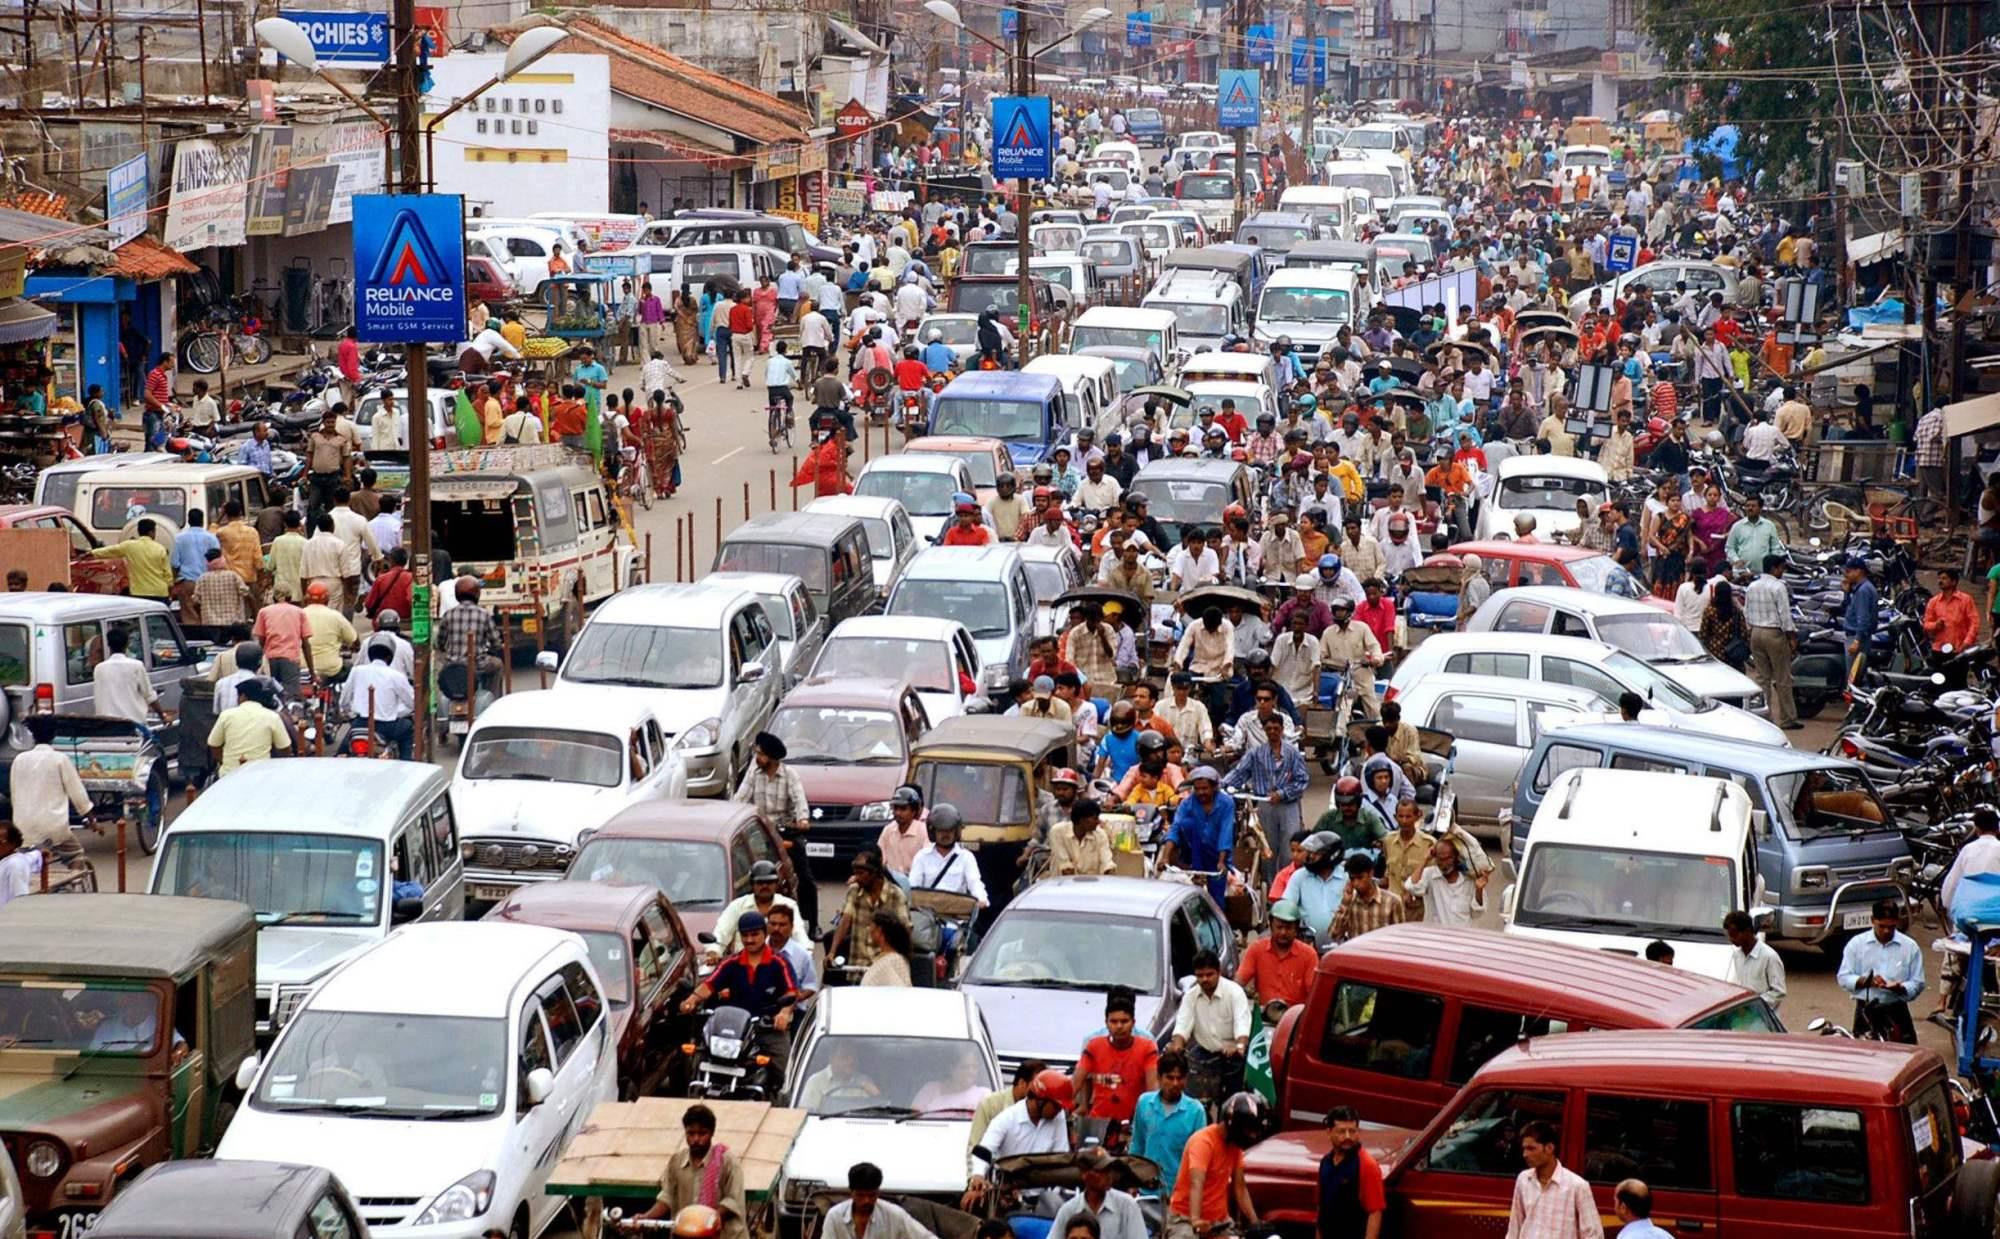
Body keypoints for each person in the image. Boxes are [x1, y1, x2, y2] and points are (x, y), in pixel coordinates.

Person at [964, 1070, 1075, 1208]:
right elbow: (984, 1150)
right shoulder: (1006, 1119)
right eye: (1057, 1106)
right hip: (1007, 1196)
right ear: (1040, 1100)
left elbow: (1061, 1157)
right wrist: (978, 1175)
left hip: (1045, 1200)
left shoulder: (1058, 1118)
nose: (1060, 1110)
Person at [635, 1105, 750, 1239]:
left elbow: (732, 1201)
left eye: (702, 1134)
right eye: (691, 1133)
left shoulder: (728, 1162)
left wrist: (706, 1220)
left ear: (712, 1133)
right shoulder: (677, 1161)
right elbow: (667, 1197)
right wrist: (645, 1218)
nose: (696, 1139)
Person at [1164, 1093, 1264, 1239]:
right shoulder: (1204, 1142)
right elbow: (1196, 1182)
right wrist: (1196, 1219)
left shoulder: (1234, 1147)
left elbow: (1240, 1187)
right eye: (1248, 1130)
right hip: (1184, 1219)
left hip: (1219, 1222)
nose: (1252, 1135)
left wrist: (1255, 1222)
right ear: (1234, 1124)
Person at [1837, 898, 1925, 1043]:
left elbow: (1918, 982)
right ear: (1872, 920)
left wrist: (1900, 988)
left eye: (1891, 927)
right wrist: (1865, 981)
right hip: (1866, 1011)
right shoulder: (1856, 944)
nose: (1886, 931)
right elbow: (1844, 977)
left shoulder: (1910, 947)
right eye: (1882, 926)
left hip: (1897, 1011)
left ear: (1897, 921)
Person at [1165, 950, 1250, 1098]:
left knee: (1233, 1101)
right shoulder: (1191, 996)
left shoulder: (1234, 992)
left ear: (1219, 972)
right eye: (1200, 975)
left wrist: (1238, 1046)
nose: (1204, 979)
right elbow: (1182, 1026)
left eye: (1209, 974)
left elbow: (1242, 1025)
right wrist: (1177, 1045)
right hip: (1203, 1055)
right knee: (1191, 1095)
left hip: (1232, 1055)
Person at [1073, 987, 1160, 1122]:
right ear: (1106, 1023)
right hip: (1099, 1122)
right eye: (1113, 1022)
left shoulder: (1147, 1046)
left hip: (1135, 1122)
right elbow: (1077, 1081)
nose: (1119, 1026)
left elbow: (1152, 1090)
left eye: (1124, 1021)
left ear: (1133, 1023)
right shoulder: (1093, 1045)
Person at [1506, 1119, 1602, 1239]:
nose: (1525, 1154)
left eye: (1531, 1149)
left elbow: (1593, 1234)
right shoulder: (1524, 1180)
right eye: (1524, 1149)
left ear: (1549, 1148)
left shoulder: (1577, 1186)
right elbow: (1515, 1227)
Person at [1131, 1051, 1205, 1201]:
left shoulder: (1195, 1111)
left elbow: (1199, 1158)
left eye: (1180, 1078)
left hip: (1179, 1195)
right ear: (1159, 1077)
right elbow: (1137, 1145)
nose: (1175, 1083)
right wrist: (1132, 1182)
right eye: (1170, 1078)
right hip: (1146, 1192)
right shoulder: (1144, 1103)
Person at [8, 735, 92, 863]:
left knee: (24, 862)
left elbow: (14, 794)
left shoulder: (19, 759)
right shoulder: (60, 759)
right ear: (52, 737)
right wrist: (92, 819)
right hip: (53, 826)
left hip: (23, 828)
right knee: (76, 854)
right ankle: (76, 881)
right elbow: (78, 794)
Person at [1160, 768, 1235, 904]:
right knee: (1187, 823)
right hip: (1193, 854)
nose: (1201, 793)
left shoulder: (1226, 803)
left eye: (1205, 788)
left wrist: (1221, 861)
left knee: (1217, 899)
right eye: (1197, 789)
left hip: (1217, 854)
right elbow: (1175, 828)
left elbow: (1226, 832)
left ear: (1214, 787)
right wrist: (1165, 857)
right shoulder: (1187, 804)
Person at [829, 848, 909, 973]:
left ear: (874, 873)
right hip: (858, 966)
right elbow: (845, 922)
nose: (857, 878)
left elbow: (905, 930)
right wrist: (832, 952)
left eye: (861, 874)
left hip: (885, 968)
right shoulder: (854, 891)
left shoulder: (896, 895)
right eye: (855, 873)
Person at [1743, 554, 1800, 730]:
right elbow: (1785, 615)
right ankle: (1787, 718)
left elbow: (1746, 612)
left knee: (1762, 677)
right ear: (1774, 568)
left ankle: (1764, 717)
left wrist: (1751, 630)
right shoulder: (1778, 587)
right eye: (1782, 568)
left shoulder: (1752, 586)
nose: (1783, 571)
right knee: (1782, 677)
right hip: (1774, 634)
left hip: (1756, 632)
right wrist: (1791, 636)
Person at [1317, 1105, 1386, 1239]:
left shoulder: (1366, 1165)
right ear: (1329, 1131)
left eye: (1352, 1131)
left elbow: (1375, 1213)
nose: (1348, 1136)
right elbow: (1321, 1207)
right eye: (1341, 1132)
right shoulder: (1326, 1162)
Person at [822, 1163, 940, 1239]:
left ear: (878, 1192)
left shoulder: (894, 1215)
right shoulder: (835, 1216)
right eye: (860, 1196)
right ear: (851, 1192)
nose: (866, 1201)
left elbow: (926, 1237)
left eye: (872, 1195)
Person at [339, 643, 416, 759]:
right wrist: (398, 712)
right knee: (407, 728)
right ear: (390, 657)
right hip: (387, 726)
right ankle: (407, 764)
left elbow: (344, 701)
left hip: (360, 722)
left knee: (341, 754)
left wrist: (350, 714)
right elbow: (412, 703)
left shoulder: (356, 671)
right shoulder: (396, 676)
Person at [1050, 1148, 1147, 1239]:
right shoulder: (1068, 1210)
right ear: (1085, 1174)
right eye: (1102, 1171)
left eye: (1110, 1170)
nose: (1109, 1175)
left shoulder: (1127, 1206)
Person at [1234, 900, 1315, 1008]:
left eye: (1288, 928)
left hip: (1296, 1018)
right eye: (1279, 927)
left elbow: (1314, 993)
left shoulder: (1308, 955)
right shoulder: (1257, 949)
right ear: (1271, 926)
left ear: (1296, 929)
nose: (1283, 932)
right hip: (1265, 1016)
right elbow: (1239, 981)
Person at [711, 860, 801, 957]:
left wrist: (804, 955)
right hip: (742, 966)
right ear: (752, 884)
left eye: (769, 882)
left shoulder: (788, 905)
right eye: (760, 883)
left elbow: (799, 935)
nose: (764, 886)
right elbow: (721, 932)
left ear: (776, 884)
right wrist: (714, 951)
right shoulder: (737, 906)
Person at [206, 677, 293, 774]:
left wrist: (226, 762)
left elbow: (213, 744)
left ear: (243, 696)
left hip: (229, 775)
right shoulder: (272, 716)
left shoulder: (226, 715)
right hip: (261, 775)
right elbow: (285, 748)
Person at [908, 804, 989, 907]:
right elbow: (913, 886)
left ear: (956, 832)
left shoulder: (966, 857)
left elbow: (975, 883)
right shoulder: (922, 856)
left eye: (949, 830)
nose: (945, 834)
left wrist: (981, 899)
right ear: (933, 832)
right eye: (941, 830)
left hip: (956, 917)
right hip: (927, 914)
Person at [1405, 837, 1488, 927]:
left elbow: (1477, 912)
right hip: (1435, 937)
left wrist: (1479, 890)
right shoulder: (1430, 875)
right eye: (1441, 859)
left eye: (1448, 858)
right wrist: (1425, 859)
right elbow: (1411, 887)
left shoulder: (1469, 880)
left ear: (1456, 857)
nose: (1444, 864)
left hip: (1460, 938)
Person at [92, 625, 164, 727]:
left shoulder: (99, 669)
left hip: (106, 726)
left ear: (108, 645)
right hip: (133, 725)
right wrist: (163, 716)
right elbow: (149, 696)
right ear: (127, 644)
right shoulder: (136, 666)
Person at [89, 518, 171, 599]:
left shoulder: (129, 546)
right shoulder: (160, 549)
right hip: (160, 592)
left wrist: (91, 553)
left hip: (139, 592)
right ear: (151, 532)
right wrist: (170, 586)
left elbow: (109, 551)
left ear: (139, 532)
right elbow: (167, 573)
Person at [1722, 910, 1785, 1012]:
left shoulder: (1769, 957)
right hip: (1742, 1016)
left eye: (1734, 935)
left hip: (1763, 1018)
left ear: (1747, 931)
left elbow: (1778, 992)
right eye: (1729, 935)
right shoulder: (1737, 955)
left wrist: (1753, 1005)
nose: (1731, 940)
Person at [1330, 854, 1403, 942]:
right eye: (1352, 879)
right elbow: (1334, 935)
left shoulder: (1392, 902)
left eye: (1360, 877)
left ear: (1371, 874)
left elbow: (1400, 939)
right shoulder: (1349, 901)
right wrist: (1345, 904)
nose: (1356, 883)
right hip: (1356, 953)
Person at [1049, 797, 1117, 877]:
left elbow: (1107, 861)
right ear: (1082, 820)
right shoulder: (1057, 832)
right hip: (1062, 885)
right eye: (1094, 818)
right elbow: (1065, 867)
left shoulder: (1100, 835)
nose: (1098, 822)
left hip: (1091, 885)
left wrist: (1109, 873)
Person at [875, 785, 929, 875]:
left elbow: (927, 863)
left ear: (914, 811)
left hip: (916, 882)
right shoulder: (888, 830)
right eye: (896, 808)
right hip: (891, 883)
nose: (898, 813)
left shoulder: (924, 831)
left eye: (903, 809)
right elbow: (879, 859)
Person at [1925, 568, 1980, 654]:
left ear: (1954, 582)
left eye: (1944, 578)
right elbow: (1926, 624)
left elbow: (1974, 623)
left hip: (1960, 648)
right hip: (1939, 648)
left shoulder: (1965, 600)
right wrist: (1935, 625)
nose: (1940, 581)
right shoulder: (1933, 602)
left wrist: (1967, 642)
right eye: (1939, 578)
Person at [860, 910, 914, 987]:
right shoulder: (887, 959)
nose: (869, 931)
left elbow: (899, 989)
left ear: (879, 931)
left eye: (872, 928)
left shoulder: (892, 961)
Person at [0, 823, 42, 908]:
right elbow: (32, 856)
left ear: (13, 843)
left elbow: (20, 897)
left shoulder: (15, 864)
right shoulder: (5, 858)